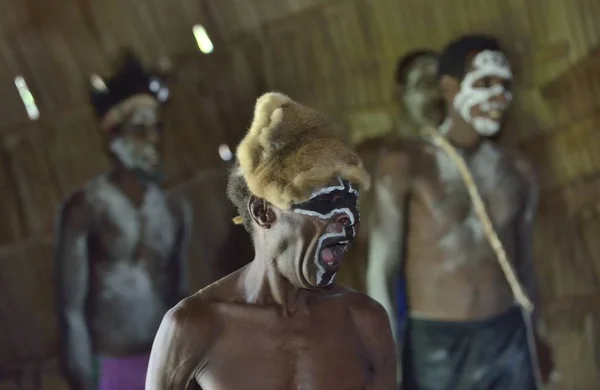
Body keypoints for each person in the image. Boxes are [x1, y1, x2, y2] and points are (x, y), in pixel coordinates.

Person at [145, 92, 396, 390]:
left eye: (350, 205)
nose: (347, 220)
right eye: (325, 203)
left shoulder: (364, 321)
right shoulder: (193, 326)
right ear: (264, 212)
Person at [366, 35, 554, 389]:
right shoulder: (406, 164)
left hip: (507, 334)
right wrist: (386, 359)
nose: (497, 96)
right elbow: (382, 271)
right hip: (438, 343)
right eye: (483, 84)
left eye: (504, 85)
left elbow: (524, 267)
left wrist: (535, 336)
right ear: (450, 88)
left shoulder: (518, 172)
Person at [55, 51, 192, 390]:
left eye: (156, 129)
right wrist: (85, 379)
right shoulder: (86, 208)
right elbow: (70, 309)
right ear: (114, 137)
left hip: (164, 363)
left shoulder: (173, 209)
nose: (153, 140)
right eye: (140, 130)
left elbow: (179, 294)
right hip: (111, 368)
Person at [337, 49, 444, 296]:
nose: (435, 95)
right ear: (400, 95)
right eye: (424, 85)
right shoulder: (372, 160)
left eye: (441, 85)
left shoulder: (453, 157)